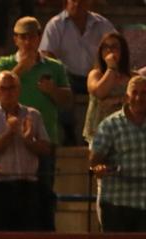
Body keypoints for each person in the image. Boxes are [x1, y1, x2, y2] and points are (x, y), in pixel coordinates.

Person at [0, 18, 68, 225]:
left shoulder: (54, 67)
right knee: (8, 195)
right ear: (15, 39)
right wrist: (20, 68)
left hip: (43, 139)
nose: (27, 42)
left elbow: (68, 100)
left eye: (32, 37)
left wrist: (53, 90)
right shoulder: (4, 63)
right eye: (23, 37)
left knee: (44, 195)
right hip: (8, 138)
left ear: (39, 37)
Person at [0, 69, 54, 231]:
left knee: (29, 237)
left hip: (28, 186)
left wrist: (28, 140)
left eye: (12, 88)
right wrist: (10, 133)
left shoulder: (33, 115)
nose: (8, 92)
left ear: (19, 90)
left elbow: (46, 149)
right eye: (3, 88)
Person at [40, 0, 115, 139]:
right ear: (66, 2)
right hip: (68, 75)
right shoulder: (55, 24)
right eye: (73, 0)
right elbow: (46, 54)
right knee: (63, 87)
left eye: (81, 1)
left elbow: (116, 45)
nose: (77, 4)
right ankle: (69, 132)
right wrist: (58, 70)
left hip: (95, 74)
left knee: (104, 86)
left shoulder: (102, 24)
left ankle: (98, 134)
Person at [89, 76, 146, 232]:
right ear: (126, 98)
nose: (139, 98)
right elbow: (94, 161)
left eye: (144, 93)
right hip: (117, 202)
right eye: (135, 93)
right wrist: (99, 169)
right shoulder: (110, 125)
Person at [82, 32, 132, 143]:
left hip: (125, 131)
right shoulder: (95, 75)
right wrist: (111, 68)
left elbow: (133, 99)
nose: (109, 50)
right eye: (105, 47)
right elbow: (100, 93)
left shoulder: (132, 77)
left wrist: (114, 100)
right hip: (99, 131)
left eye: (114, 47)